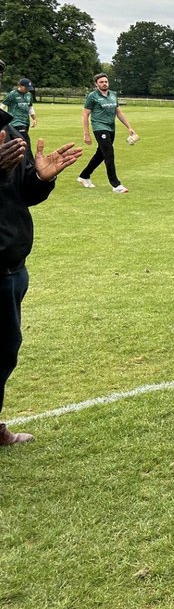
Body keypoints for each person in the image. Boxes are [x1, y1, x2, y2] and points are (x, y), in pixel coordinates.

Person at [1, 110, 83, 446]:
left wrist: (41, 179)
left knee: (5, 351)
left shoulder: (8, 129)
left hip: (10, 266)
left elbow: (21, 193)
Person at [78, 73, 136, 193]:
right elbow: (85, 114)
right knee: (109, 154)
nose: (104, 84)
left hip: (111, 128)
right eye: (101, 82)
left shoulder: (113, 94)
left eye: (106, 82)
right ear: (96, 84)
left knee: (100, 154)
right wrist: (86, 133)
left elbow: (118, 112)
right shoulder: (92, 96)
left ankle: (84, 176)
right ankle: (116, 185)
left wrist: (129, 127)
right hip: (99, 128)